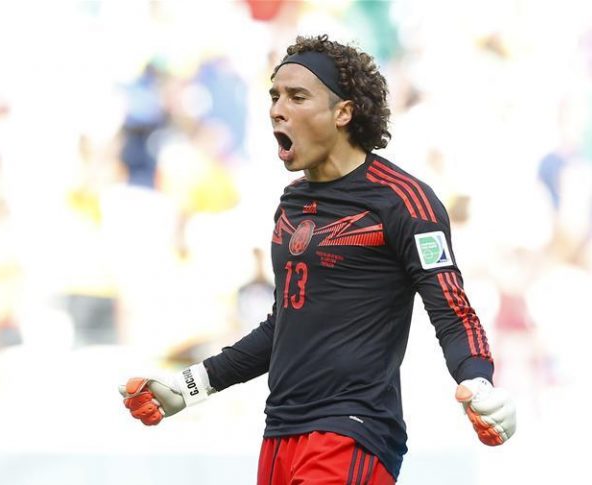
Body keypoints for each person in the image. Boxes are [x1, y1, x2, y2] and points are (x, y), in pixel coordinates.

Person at [119, 34, 516, 484]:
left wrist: (478, 380)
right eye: (274, 96)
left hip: (352, 433)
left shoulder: (404, 200)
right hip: (280, 432)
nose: (277, 109)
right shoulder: (291, 204)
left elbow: (452, 310)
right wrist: (190, 386)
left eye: (297, 96)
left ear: (343, 113)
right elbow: (285, 324)